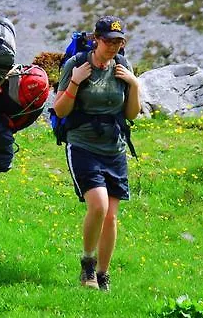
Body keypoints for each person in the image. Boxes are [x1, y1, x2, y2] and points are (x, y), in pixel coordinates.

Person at [52, 15, 141, 291]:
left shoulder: (122, 66)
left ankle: (103, 274)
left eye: (119, 41)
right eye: (109, 41)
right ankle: (87, 264)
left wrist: (135, 85)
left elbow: (131, 114)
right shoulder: (76, 65)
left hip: (114, 148)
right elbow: (59, 110)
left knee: (112, 216)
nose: (114, 46)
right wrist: (75, 82)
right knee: (99, 206)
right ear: (96, 39)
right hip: (82, 145)